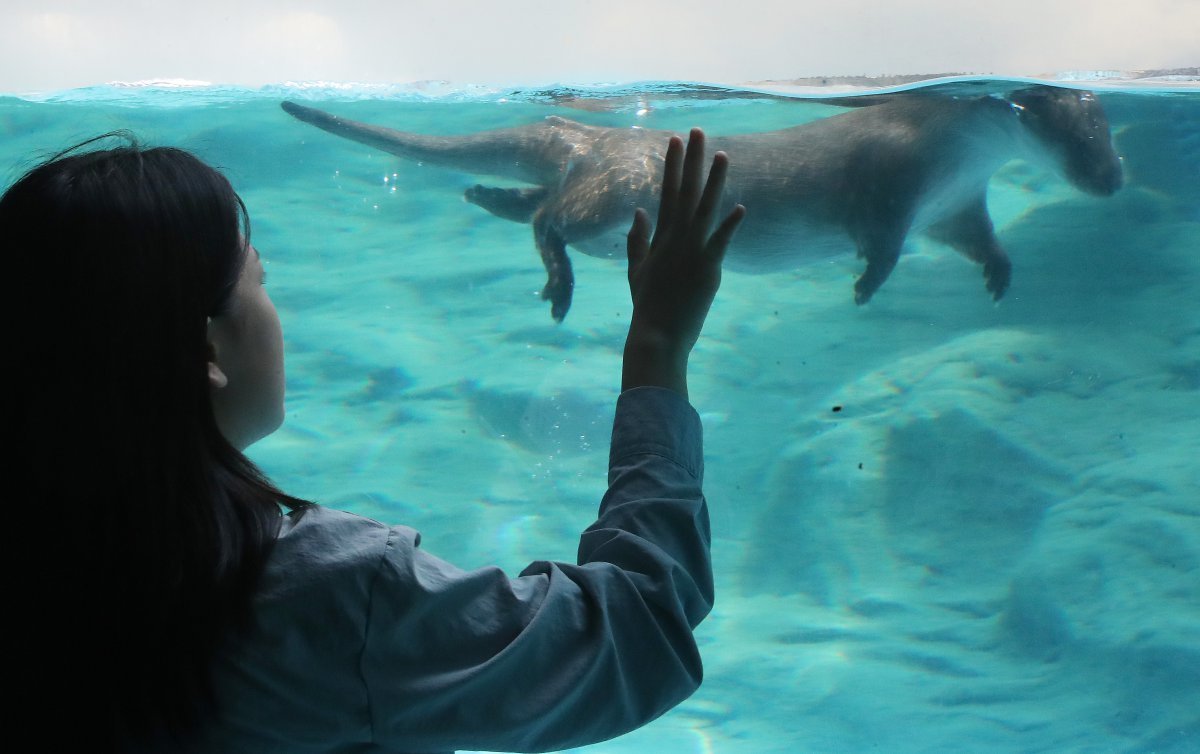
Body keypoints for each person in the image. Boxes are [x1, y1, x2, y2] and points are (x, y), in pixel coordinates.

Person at [4, 126, 744, 753]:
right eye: (260, 283)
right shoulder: (333, 597)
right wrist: (657, 347)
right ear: (207, 354)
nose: (274, 311)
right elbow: (637, 631)